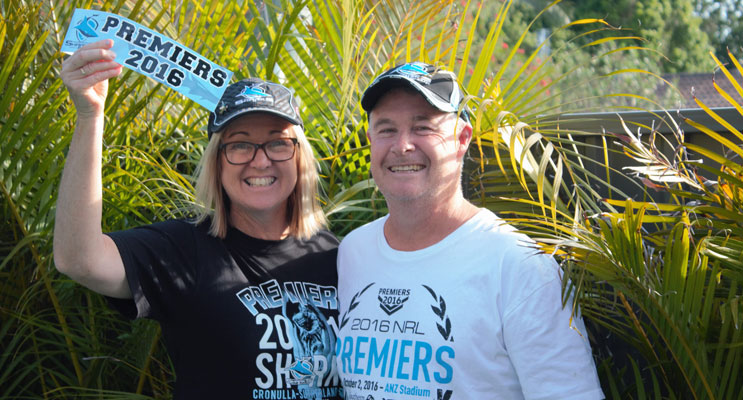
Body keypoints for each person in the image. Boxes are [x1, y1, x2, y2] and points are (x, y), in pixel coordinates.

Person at [54, 39, 343, 400]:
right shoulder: (184, 249)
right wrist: (89, 117)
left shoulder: (339, 257)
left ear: (299, 157)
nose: (260, 160)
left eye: (277, 142)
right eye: (239, 144)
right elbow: (78, 259)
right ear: (217, 163)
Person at [335, 62, 604, 399]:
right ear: (371, 140)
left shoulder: (520, 267)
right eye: (387, 129)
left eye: (423, 127)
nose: (402, 145)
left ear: (461, 139)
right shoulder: (354, 252)